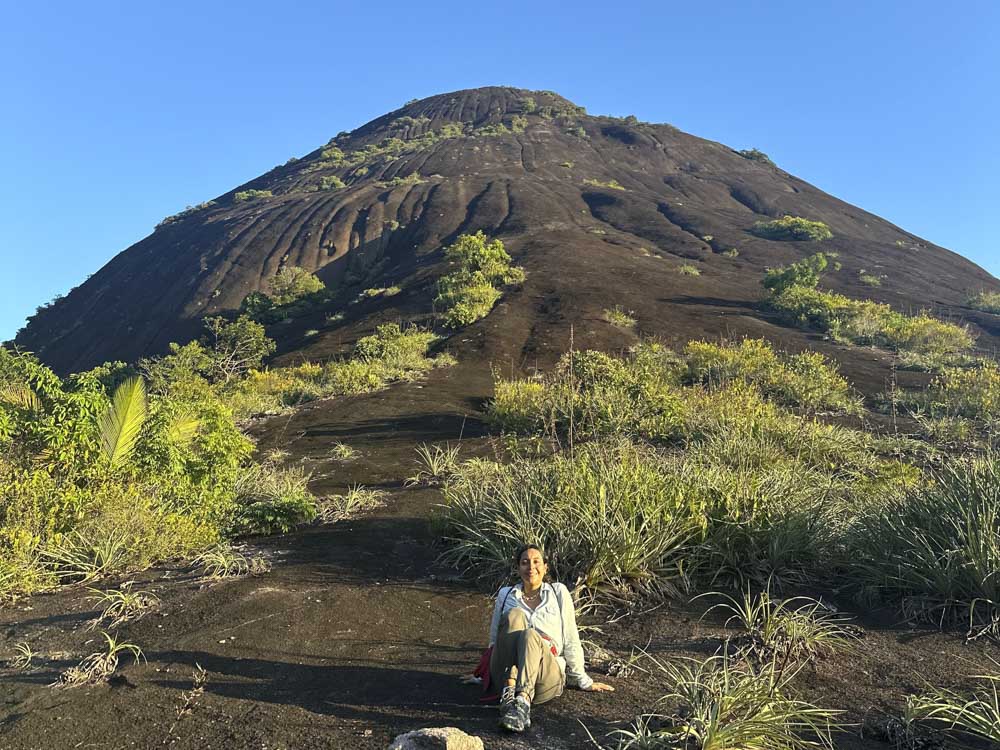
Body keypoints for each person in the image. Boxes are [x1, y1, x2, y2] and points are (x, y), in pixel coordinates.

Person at [487, 543, 614, 733]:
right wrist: (482, 674)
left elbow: (571, 637)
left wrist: (583, 680)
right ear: (517, 568)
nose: (531, 567)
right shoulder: (506, 594)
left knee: (531, 635)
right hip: (509, 674)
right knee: (514, 615)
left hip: (546, 675)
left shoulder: (558, 592)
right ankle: (510, 693)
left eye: (536, 562)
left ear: (546, 567)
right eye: (525, 562)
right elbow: (495, 640)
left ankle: (522, 703)